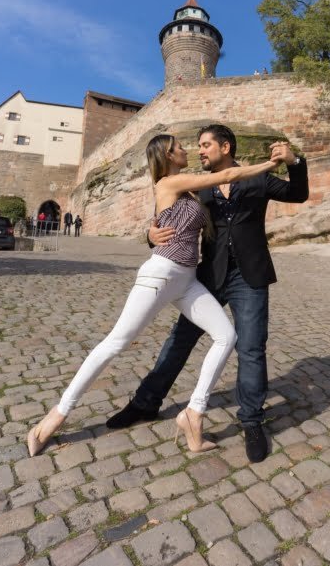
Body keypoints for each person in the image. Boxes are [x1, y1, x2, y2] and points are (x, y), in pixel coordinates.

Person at [27, 133, 285, 457]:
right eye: (180, 146)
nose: (186, 149)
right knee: (116, 344)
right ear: (168, 154)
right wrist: (270, 163)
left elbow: (168, 221)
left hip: (188, 280)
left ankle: (193, 415)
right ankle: (54, 417)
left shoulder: (187, 188)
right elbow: (227, 175)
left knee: (226, 336)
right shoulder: (167, 183)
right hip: (161, 275)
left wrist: (149, 232)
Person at [107, 124, 309, 462]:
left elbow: (297, 194)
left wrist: (295, 161)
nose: (199, 151)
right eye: (197, 146)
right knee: (179, 340)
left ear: (225, 146)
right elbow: (165, 217)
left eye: (205, 145)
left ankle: (252, 420)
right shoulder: (195, 189)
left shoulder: (257, 179)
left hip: (250, 275)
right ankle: (145, 403)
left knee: (251, 347)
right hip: (207, 276)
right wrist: (150, 235)